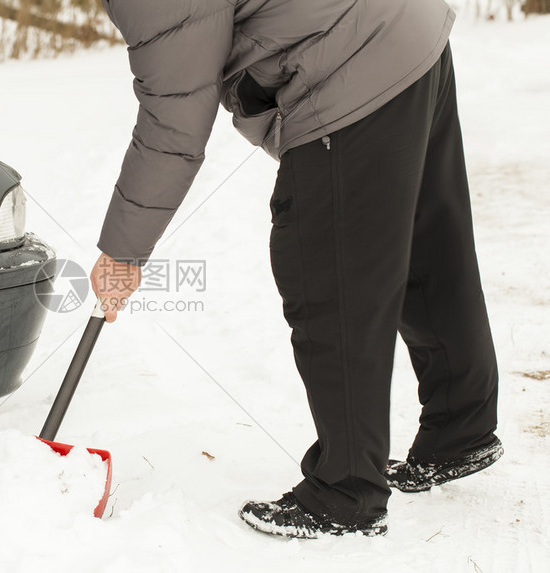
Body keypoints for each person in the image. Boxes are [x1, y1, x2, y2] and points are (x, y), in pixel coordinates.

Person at [89, 0, 502, 539]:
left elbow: (174, 118)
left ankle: (346, 493)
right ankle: (460, 428)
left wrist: (123, 252)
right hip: (409, 31)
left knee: (327, 270)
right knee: (428, 244)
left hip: (351, 64)